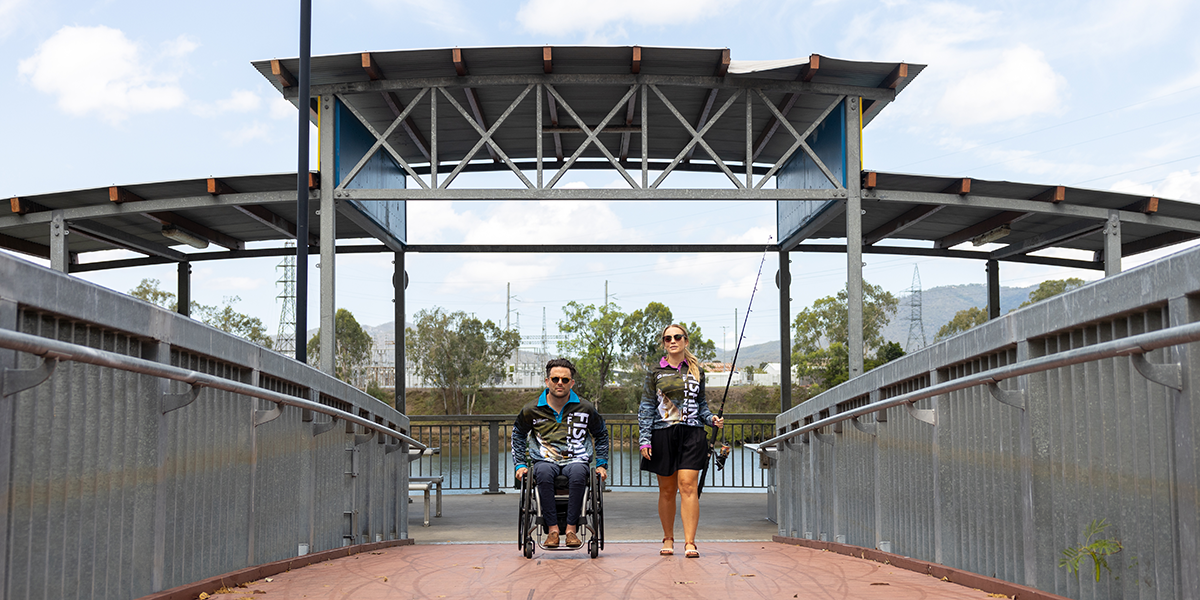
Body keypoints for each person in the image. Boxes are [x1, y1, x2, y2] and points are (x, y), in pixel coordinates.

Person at [639, 323, 723, 558]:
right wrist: (644, 439)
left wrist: (711, 418)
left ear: (686, 341)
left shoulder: (697, 371)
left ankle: (690, 542)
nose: (672, 341)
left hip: (692, 433)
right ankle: (668, 538)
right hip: (662, 433)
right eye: (667, 338)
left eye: (677, 337)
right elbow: (646, 406)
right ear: (664, 343)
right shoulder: (655, 372)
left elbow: (702, 404)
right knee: (666, 490)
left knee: (688, 486)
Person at [512, 358, 610, 548]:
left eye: (565, 380)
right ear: (547, 381)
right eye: (555, 379)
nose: (560, 383)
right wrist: (520, 465)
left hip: (577, 459)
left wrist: (601, 464)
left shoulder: (586, 408)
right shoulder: (531, 409)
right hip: (544, 459)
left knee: (579, 474)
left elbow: (601, 434)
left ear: (572, 383)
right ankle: (553, 531)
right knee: (543, 473)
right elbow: (518, 435)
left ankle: (571, 530)